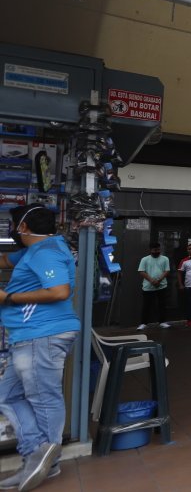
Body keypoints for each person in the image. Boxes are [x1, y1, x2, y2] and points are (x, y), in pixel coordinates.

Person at [0, 205, 81, 492]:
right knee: (7, 395)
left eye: (13, 225)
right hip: (28, 335)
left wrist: (8, 298)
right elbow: (6, 261)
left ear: (23, 227)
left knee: (43, 397)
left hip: (41, 334)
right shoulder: (36, 250)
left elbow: (59, 291)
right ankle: (39, 454)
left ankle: (44, 460)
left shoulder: (46, 251)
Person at [137, 242, 171, 330]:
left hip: (162, 286)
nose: (157, 251)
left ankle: (162, 322)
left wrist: (159, 280)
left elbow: (167, 271)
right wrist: (152, 280)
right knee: (146, 306)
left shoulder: (165, 259)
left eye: (158, 250)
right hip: (148, 287)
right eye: (155, 250)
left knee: (162, 305)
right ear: (150, 250)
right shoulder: (144, 259)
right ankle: (143, 323)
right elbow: (141, 271)